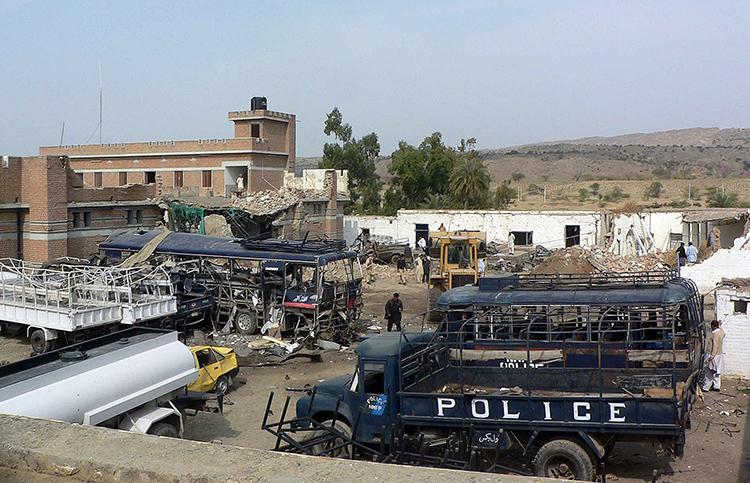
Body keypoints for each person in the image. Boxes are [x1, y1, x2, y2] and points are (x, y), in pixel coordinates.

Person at [702, 320, 726, 391]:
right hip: (719, 354)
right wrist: (720, 326)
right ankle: (716, 386)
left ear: (712, 326)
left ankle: (706, 387)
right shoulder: (721, 332)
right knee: (717, 371)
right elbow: (724, 333)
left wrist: (711, 356)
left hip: (713, 354)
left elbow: (715, 346)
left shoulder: (715, 334)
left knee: (709, 371)